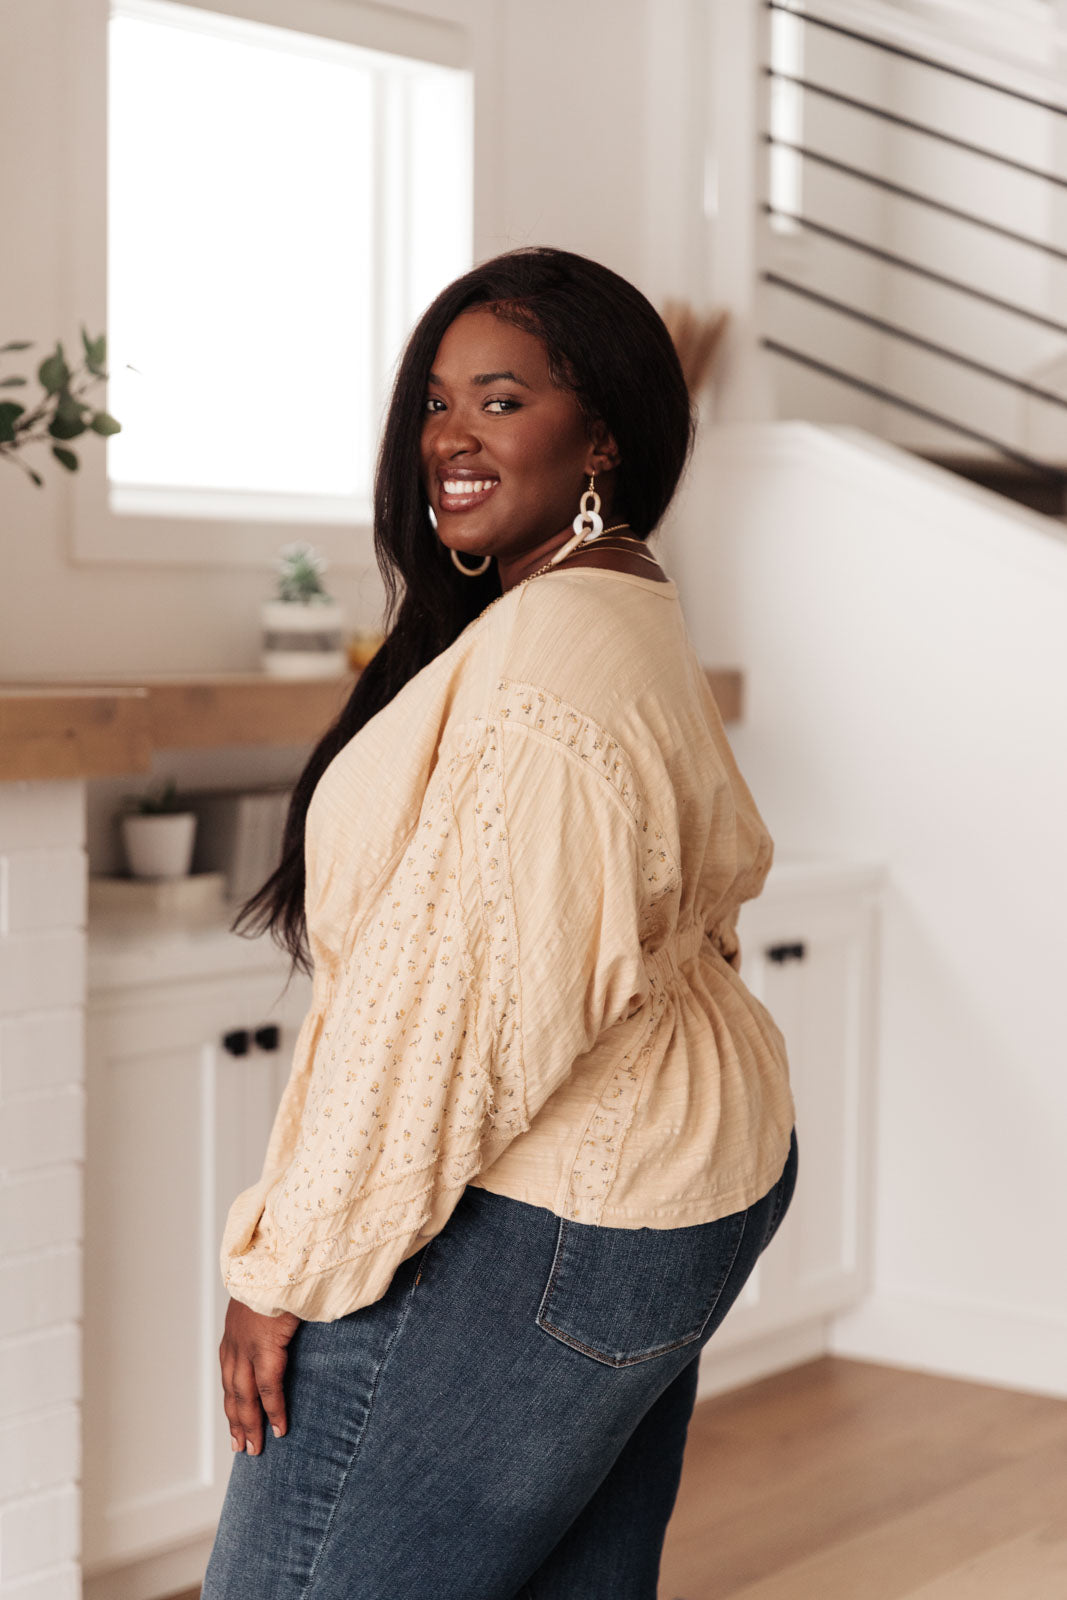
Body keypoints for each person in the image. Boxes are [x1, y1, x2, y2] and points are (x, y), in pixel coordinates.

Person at [202, 246, 798, 1600]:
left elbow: (444, 1018)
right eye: (436, 401)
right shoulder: (612, 607)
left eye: (502, 400)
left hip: (563, 1211)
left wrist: (285, 1265)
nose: (450, 437)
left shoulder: (546, 666)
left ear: (602, 436)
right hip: (674, 1177)